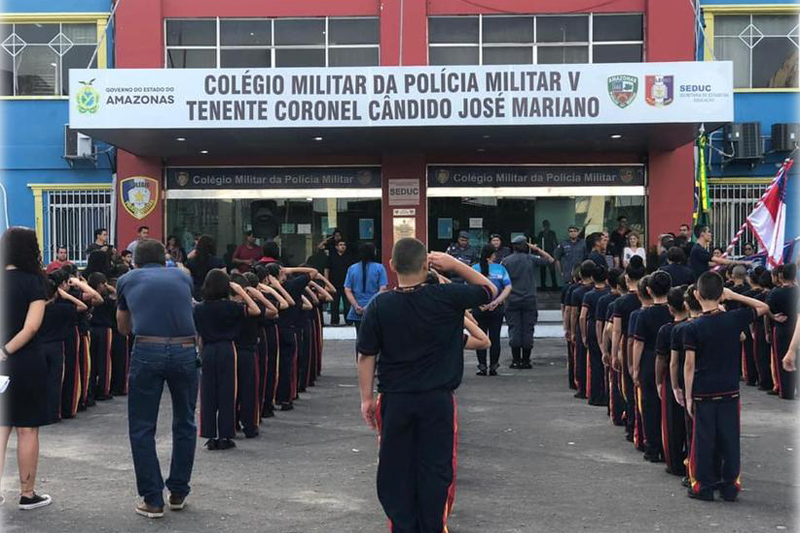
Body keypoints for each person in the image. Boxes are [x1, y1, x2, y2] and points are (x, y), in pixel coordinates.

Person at [356, 240, 496, 533]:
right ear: (426, 265)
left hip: (395, 399)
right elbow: (488, 290)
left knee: (396, 469)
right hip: (437, 400)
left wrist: (367, 399)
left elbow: (366, 354)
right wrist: (454, 264)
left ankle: (403, 527)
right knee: (437, 468)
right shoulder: (447, 297)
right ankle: (433, 526)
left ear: (392, 266)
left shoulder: (379, 305)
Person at [115, 239, 199, 518]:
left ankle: (152, 499)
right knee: (185, 421)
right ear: (164, 260)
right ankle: (178, 491)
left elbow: (123, 326)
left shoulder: (127, 280)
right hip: (186, 349)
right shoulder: (182, 276)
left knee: (142, 426)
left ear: (135, 261)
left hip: (148, 348)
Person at [683, 272, 769, 502]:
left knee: (704, 440)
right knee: (729, 439)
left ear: (697, 295)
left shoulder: (692, 328)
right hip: (730, 389)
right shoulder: (734, 318)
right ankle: (730, 485)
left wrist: (689, 395)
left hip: (703, 390)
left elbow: (689, 365)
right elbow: (762, 306)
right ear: (721, 294)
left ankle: (704, 486)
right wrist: (734, 296)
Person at [0, 227, 52, 509]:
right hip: (25, 361)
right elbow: (31, 327)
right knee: (27, 429)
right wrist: (6, 350)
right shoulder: (34, 282)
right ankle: (27, 493)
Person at [194, 270, 261, 450]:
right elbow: (255, 310)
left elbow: (199, 336)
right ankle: (225, 434)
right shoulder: (231, 307)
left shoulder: (199, 308)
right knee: (227, 392)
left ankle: (210, 434)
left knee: (208, 393)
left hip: (208, 349)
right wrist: (240, 291)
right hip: (227, 348)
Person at [632, 270, 673, 463]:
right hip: (673, 358)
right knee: (671, 404)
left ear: (648, 290)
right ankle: (670, 448)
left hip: (649, 358)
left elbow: (637, 343)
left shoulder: (644, 315)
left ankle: (653, 447)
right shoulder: (674, 310)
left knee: (649, 405)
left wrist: (634, 367)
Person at [502, 235, 555, 369]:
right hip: (529, 299)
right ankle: (526, 360)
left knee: (514, 328)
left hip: (512, 299)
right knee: (527, 329)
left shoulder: (506, 261)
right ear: (525, 246)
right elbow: (550, 260)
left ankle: (515, 360)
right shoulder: (531, 259)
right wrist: (536, 249)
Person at [611, 256, 645, 443]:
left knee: (629, 386)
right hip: (648, 345)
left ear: (626, 279)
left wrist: (614, 351)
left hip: (627, 344)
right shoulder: (646, 300)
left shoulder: (622, 303)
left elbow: (615, 330)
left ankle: (632, 425)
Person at [656, 286, 688, 477]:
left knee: (672, 422)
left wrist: (659, 380)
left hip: (673, 378)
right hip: (695, 375)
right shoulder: (696, 325)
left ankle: (675, 462)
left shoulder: (667, 330)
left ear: (670, 307)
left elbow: (662, 360)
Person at [472, 244, 512, 376]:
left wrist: (478, 304)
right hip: (496, 308)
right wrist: (497, 301)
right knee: (495, 338)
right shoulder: (500, 269)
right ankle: (494, 366)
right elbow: (508, 287)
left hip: (479, 308)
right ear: (493, 255)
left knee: (480, 337)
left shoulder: (474, 269)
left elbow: (467, 288)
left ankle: (482, 366)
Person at [767, 263, 798, 399]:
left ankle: (786, 391)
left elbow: (766, 308)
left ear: (780, 276)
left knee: (781, 359)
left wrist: (773, 317)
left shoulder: (775, 293)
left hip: (782, 328)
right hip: (795, 326)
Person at [580, 264, 610, 405]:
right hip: (608, 327)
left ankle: (596, 396)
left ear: (592, 277)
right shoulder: (608, 294)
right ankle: (608, 395)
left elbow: (582, 316)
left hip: (593, 327)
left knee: (595, 362)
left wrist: (584, 335)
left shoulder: (589, 295)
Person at [344, 243, 388, 336]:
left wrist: (356, 306)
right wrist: (368, 306)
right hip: (375, 309)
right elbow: (383, 289)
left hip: (357, 310)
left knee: (360, 337)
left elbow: (347, 290)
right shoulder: (379, 268)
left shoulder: (352, 268)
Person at [87, 272, 117, 402]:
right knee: (104, 360)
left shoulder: (88, 297)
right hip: (104, 329)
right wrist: (111, 288)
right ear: (100, 285)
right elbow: (118, 296)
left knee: (92, 361)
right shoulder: (106, 299)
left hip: (91, 329)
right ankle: (104, 389)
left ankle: (91, 388)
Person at [569, 260, 596, 396]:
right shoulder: (596, 291)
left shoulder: (576, 291)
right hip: (594, 324)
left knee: (580, 358)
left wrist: (572, 331)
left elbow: (574, 314)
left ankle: (582, 387)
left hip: (582, 327)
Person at [185, 235, 226, 299]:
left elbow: (186, 276)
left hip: (196, 293)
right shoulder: (219, 262)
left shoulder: (191, 262)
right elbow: (224, 279)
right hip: (214, 294)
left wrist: (187, 258)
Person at [325, 240, 354, 325]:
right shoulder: (331, 257)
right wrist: (327, 282)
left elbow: (352, 271)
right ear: (336, 247)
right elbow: (327, 269)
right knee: (334, 305)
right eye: (340, 245)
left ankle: (349, 322)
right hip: (334, 285)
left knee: (347, 305)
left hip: (346, 286)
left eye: (344, 245)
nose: (343, 246)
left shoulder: (349, 257)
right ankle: (334, 322)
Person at [536, 220, 559, 290]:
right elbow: (538, 243)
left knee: (552, 270)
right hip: (543, 253)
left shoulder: (552, 233)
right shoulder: (541, 234)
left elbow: (555, 242)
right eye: (545, 225)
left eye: (547, 225)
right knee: (543, 271)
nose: (546, 227)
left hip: (550, 253)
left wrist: (555, 252)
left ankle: (554, 285)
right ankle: (543, 285)